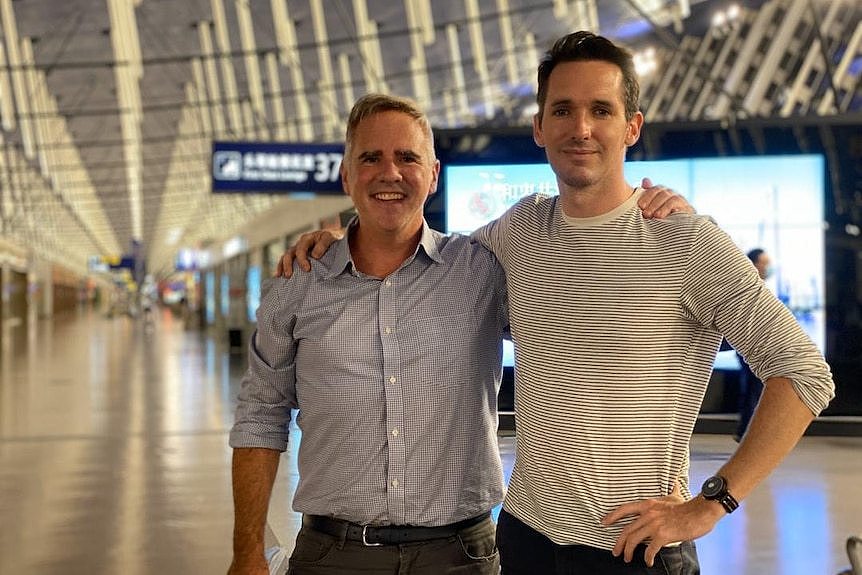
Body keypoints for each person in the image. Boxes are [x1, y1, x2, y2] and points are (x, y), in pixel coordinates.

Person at [280, 32, 834, 575]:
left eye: (601, 110)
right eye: (563, 110)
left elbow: (804, 375)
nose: (582, 128)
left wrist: (712, 503)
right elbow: (421, 263)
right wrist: (342, 240)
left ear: (631, 127)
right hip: (524, 538)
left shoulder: (684, 243)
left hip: (633, 548)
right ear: (539, 128)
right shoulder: (519, 230)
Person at [229, 94, 691, 575]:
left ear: (432, 175)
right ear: (347, 176)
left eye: (408, 157)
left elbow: (591, 329)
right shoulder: (299, 284)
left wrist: (649, 216)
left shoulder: (481, 269)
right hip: (332, 555)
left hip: (461, 557)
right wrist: (246, 555)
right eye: (371, 158)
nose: (390, 173)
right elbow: (261, 415)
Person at [734, 248, 772, 441]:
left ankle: (745, 431)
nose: (767, 267)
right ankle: (747, 433)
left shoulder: (760, 286)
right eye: (764, 263)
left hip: (760, 344)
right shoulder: (747, 286)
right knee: (752, 388)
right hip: (748, 345)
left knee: (753, 388)